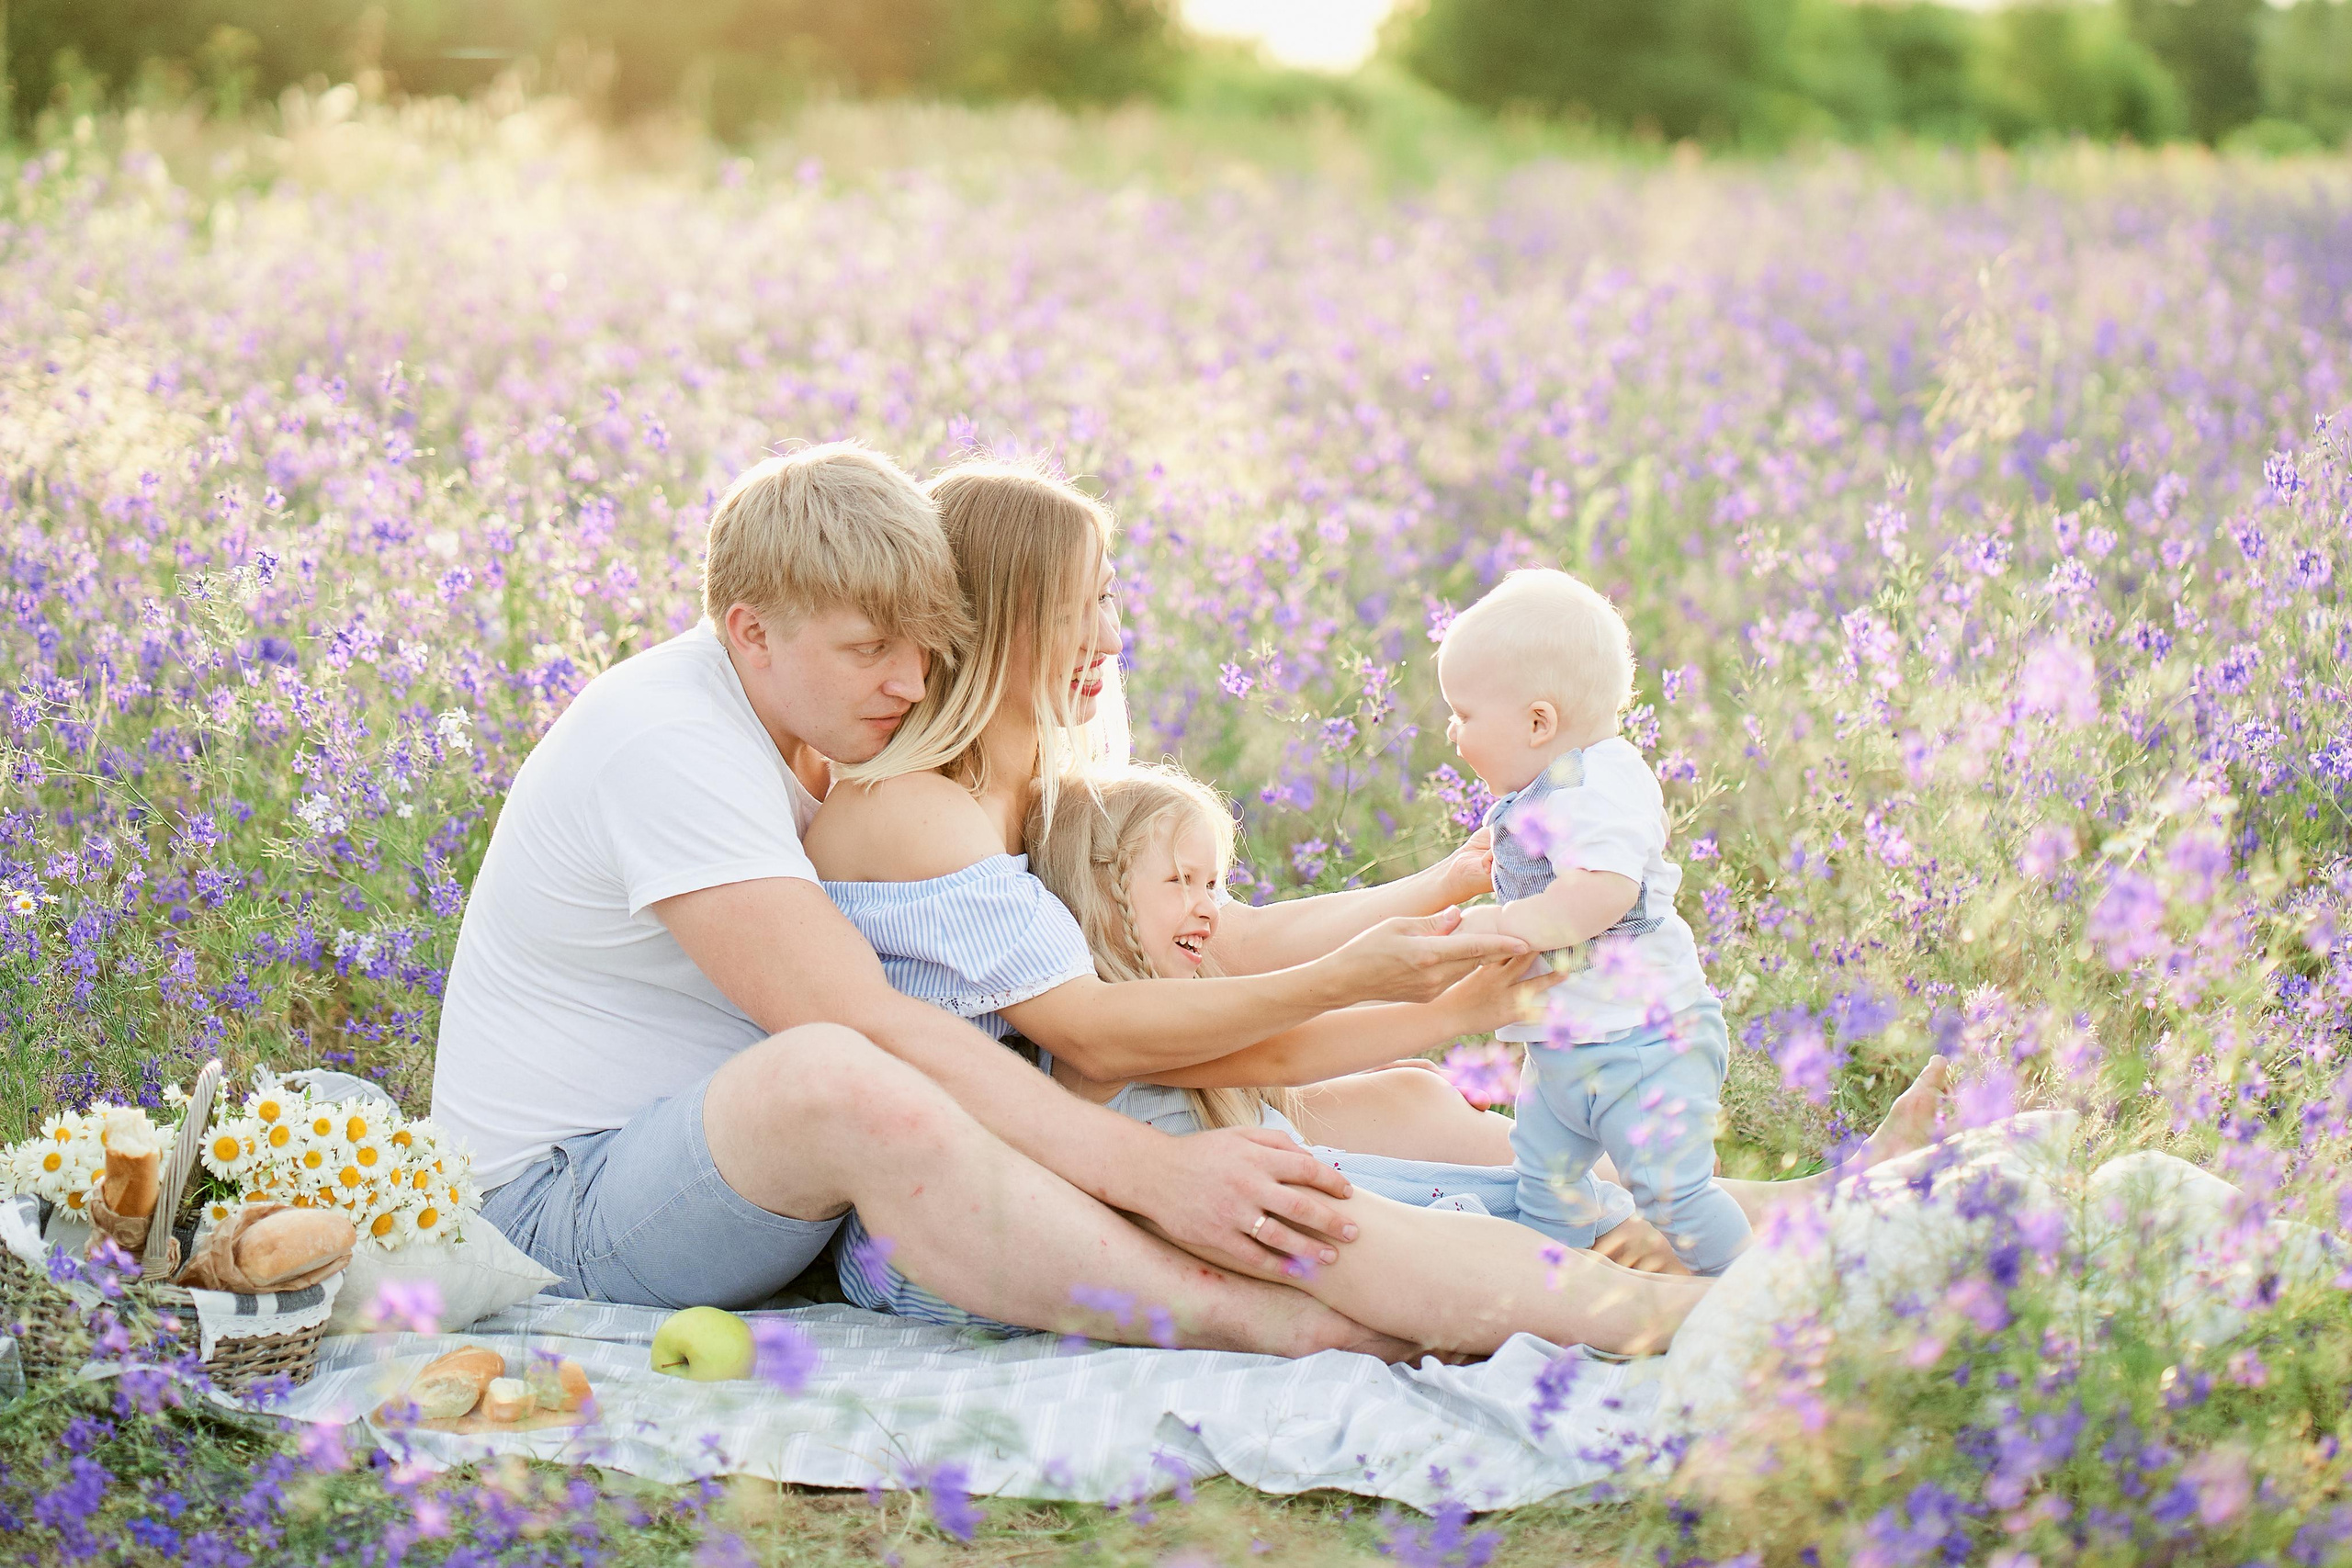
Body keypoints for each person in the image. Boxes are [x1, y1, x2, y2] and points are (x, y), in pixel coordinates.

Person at [806, 460, 1953, 1356]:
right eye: (1078, 607)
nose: (1109, 635)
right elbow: (1090, 1033)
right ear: (999, 616)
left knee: (1405, 1118)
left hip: (1100, 1131)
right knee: (1324, 1203)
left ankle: (1792, 1212)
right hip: (975, 1214)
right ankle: (1701, 1309)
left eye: (1110, 600)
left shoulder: (1050, 785)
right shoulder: (918, 808)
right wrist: (1382, 980)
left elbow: (1228, 942)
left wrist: (1448, 893)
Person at [429, 442, 1527, 1357]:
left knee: (1403, 1107)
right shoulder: (667, 741)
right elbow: (868, 1023)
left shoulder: (861, 731)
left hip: (773, 1180)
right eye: (869, 651)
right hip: (571, 1205)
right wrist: (1154, 1171)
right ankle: (1245, 1316)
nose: (908, 683)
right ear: (749, 632)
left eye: (926, 647)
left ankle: (1561, 1234)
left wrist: (1443, 923)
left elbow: (1166, 946)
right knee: (836, 1070)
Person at [1442, 568, 1746, 1273]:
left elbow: (1602, 891)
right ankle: (1561, 1293)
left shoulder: (1601, 782)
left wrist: (1508, 923)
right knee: (1544, 1185)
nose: (1452, 731)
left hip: (1644, 1045)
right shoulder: (1555, 784)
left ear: (1538, 722)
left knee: (1676, 1196)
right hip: (1568, 1052)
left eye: (1463, 712)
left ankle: (1748, 1292)